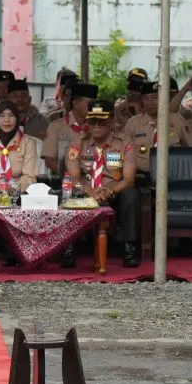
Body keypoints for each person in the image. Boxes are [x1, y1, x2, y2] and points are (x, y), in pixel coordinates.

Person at [65, 100, 140, 268]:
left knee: (131, 195)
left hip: (114, 192)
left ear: (112, 120)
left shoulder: (125, 143)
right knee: (67, 190)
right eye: (92, 120)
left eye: (102, 121)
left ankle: (130, 248)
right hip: (85, 191)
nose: (96, 125)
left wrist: (108, 191)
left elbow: (128, 179)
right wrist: (90, 191)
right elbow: (74, 175)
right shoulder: (78, 142)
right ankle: (67, 247)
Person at [124, 79, 192, 174]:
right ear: (141, 100)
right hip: (141, 178)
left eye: (154, 98)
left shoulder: (177, 121)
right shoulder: (133, 123)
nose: (150, 103)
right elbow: (123, 152)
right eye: (146, 98)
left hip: (172, 176)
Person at [43, 82, 96, 175]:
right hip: (64, 182)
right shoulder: (56, 127)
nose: (93, 108)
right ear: (75, 103)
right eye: (90, 104)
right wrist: (71, 178)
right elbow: (49, 160)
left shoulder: (97, 127)